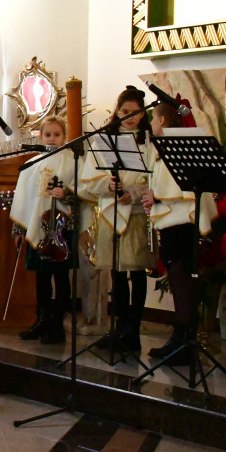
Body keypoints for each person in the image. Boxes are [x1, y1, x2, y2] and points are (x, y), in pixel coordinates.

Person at [140, 101, 216, 363]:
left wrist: (157, 196)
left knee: (180, 275)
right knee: (176, 275)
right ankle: (181, 335)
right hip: (173, 216)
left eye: (153, 119)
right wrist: (154, 195)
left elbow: (179, 184)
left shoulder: (177, 144)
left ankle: (185, 338)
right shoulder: (162, 147)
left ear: (162, 120)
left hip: (182, 219)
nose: (150, 124)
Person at [82, 86, 152, 351]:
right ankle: (119, 328)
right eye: (124, 112)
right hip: (111, 212)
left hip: (134, 214)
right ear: (117, 111)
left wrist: (134, 192)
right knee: (117, 273)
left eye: (135, 113)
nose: (129, 118)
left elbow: (155, 176)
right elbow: (91, 177)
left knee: (135, 271)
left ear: (143, 114)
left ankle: (133, 330)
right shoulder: (103, 140)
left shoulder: (149, 141)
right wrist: (108, 186)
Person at [9, 116, 74, 344]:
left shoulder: (72, 160)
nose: (53, 139)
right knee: (42, 277)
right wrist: (19, 230)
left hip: (63, 229)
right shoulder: (33, 163)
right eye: (48, 135)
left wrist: (66, 194)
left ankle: (58, 324)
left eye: (57, 135)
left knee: (61, 277)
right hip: (40, 228)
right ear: (41, 136)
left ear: (64, 136)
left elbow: (83, 193)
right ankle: (41, 320)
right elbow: (23, 198)